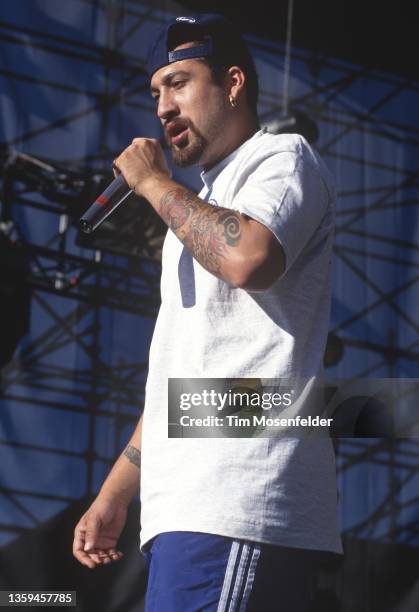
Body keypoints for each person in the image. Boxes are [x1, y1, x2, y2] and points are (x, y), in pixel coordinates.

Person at [73, 13, 343, 611]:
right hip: (191, 511)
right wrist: (117, 492)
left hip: (236, 502)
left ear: (233, 83)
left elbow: (250, 257)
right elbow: (189, 385)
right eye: (155, 92)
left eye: (179, 83)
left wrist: (149, 183)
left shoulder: (279, 157)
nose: (163, 106)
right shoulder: (196, 211)